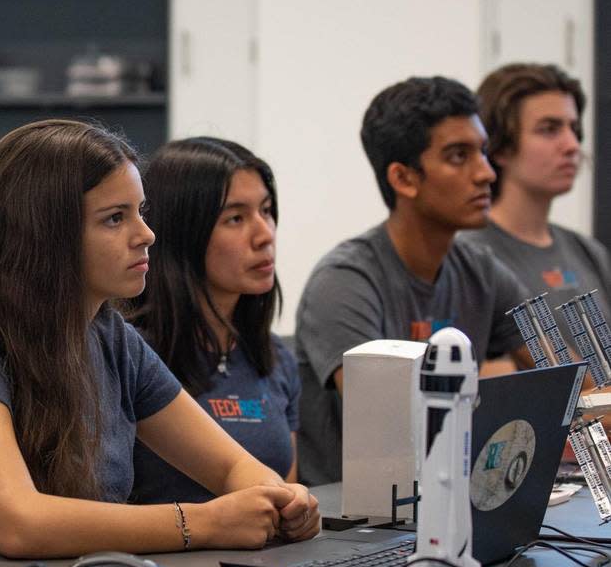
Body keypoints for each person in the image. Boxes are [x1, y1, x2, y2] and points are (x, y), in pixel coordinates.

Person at [0, 119, 318, 562]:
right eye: (115, 219)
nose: (147, 235)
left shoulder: (111, 338)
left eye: (141, 212)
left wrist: (280, 496)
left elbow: (229, 467)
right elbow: (18, 521)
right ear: (44, 236)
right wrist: (202, 523)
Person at [294, 76, 531, 486]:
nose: (487, 173)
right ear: (404, 179)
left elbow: (571, 377)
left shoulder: (482, 268)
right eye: (459, 156)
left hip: (450, 497)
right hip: (359, 524)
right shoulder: (344, 281)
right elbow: (391, 425)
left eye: (483, 152)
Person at [127, 138, 299, 507]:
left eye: (266, 211)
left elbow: (287, 499)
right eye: (235, 218)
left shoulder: (275, 357)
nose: (264, 234)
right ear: (182, 232)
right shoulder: (129, 354)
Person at [462, 63, 610, 314]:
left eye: (573, 129)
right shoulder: (467, 256)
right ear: (500, 147)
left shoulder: (589, 252)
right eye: (549, 129)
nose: (572, 145)